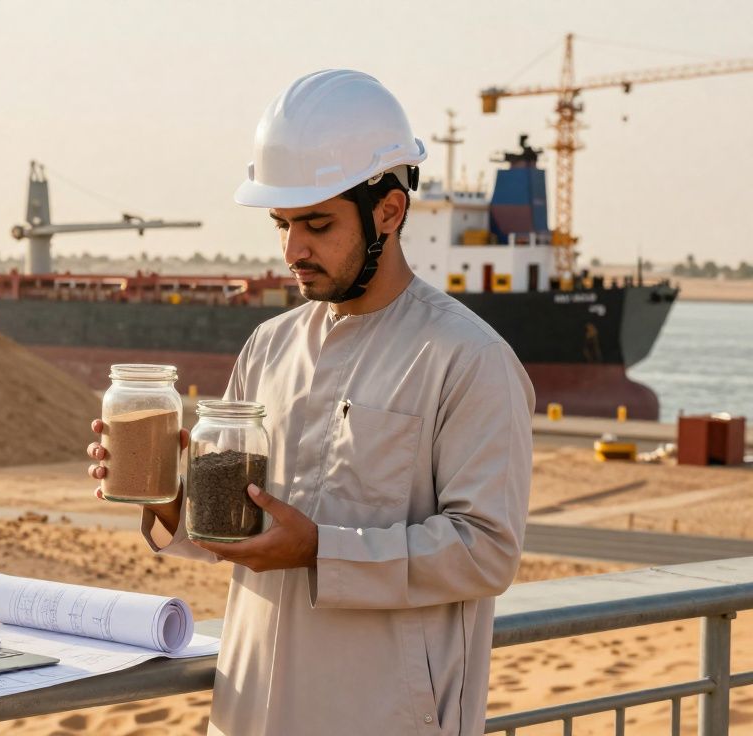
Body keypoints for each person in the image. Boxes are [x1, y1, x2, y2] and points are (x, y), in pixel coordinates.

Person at [86, 70, 534, 735]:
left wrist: (322, 550)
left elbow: (486, 551)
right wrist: (167, 497)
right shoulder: (268, 347)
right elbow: (237, 531)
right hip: (249, 712)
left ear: (389, 211)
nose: (293, 250)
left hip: (382, 718)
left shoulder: (468, 358)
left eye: (317, 224)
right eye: (282, 224)